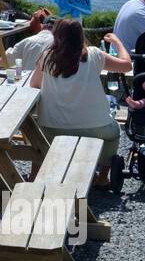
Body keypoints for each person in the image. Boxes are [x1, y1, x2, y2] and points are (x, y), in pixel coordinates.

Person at [28, 19, 131, 187]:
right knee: (113, 134)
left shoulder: (46, 56)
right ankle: (102, 177)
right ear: (80, 36)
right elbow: (126, 66)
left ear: (57, 36)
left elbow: (34, 84)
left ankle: (34, 175)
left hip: (52, 127)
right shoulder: (94, 55)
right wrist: (117, 42)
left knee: (38, 136)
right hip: (95, 127)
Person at [6, 7, 54, 73]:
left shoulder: (27, 41)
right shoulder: (64, 44)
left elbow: (3, 62)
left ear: (42, 26)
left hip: (27, 80)